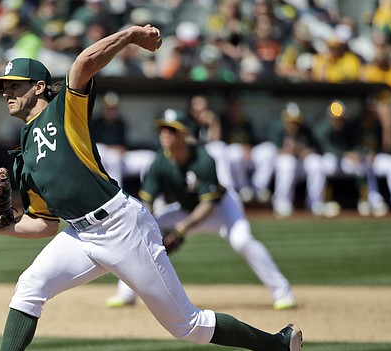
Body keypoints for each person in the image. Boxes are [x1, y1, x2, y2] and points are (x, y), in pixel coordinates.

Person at [0, 24, 304, 351]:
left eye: (14, 85)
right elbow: (43, 225)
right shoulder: (23, 159)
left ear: (38, 87)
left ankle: (280, 344)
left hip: (122, 226)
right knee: (29, 287)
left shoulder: (63, 109)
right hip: (79, 235)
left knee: (186, 325)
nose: (6, 93)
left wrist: (131, 34)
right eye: (2, 87)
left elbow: (84, 62)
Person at [105, 108, 296, 311]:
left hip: (222, 209)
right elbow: (147, 202)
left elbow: (208, 204)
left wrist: (180, 229)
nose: (166, 135)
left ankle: (283, 292)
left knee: (242, 241)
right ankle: (126, 293)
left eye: (172, 130)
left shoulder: (202, 159)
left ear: (185, 134)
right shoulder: (160, 161)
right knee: (143, 232)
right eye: (163, 130)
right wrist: (149, 224)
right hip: (186, 209)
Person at [270, 102, 332, 218]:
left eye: (296, 121)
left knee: (316, 163)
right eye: (291, 121)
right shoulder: (278, 128)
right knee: (287, 163)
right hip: (282, 165)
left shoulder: (305, 130)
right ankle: (282, 203)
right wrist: (288, 151)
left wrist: (304, 151)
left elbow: (316, 148)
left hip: (301, 164)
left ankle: (315, 203)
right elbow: (271, 149)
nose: (293, 124)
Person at [91, 91, 155, 190]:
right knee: (112, 157)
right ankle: (117, 193)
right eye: (108, 108)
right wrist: (113, 148)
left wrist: (120, 149)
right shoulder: (96, 123)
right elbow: (94, 145)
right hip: (102, 160)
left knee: (149, 157)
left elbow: (123, 145)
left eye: (113, 108)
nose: (111, 111)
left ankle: (148, 193)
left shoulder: (120, 123)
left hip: (120, 160)